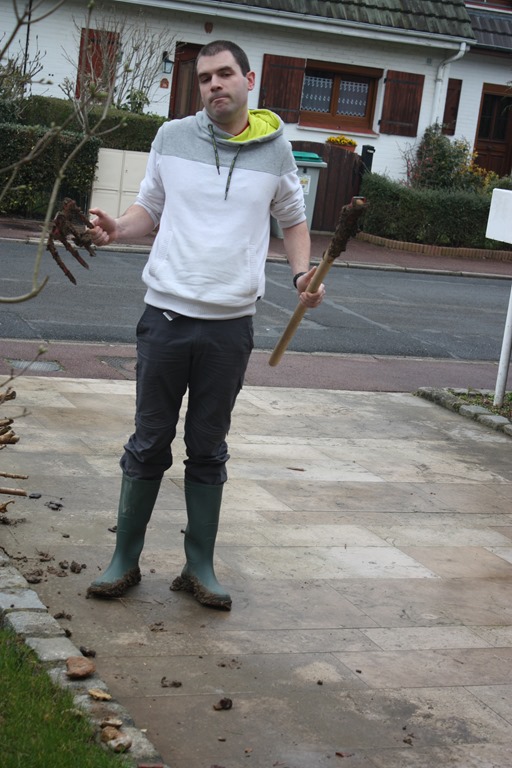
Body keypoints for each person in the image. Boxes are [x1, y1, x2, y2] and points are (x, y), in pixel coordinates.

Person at [86, 40, 325, 610]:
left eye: (224, 74)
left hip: (229, 327)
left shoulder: (277, 149)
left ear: (248, 80)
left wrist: (300, 275)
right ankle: (124, 560)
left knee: (209, 446)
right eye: (204, 78)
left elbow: (293, 221)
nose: (214, 84)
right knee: (149, 440)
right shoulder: (171, 137)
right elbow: (149, 208)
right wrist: (117, 228)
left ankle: (199, 566)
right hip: (165, 317)